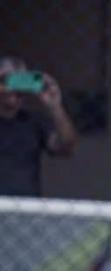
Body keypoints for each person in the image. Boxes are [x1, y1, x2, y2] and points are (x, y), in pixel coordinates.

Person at [0, 56, 77, 196]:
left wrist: (55, 106)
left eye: (20, 81)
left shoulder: (33, 122)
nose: (13, 87)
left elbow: (66, 147)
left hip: (27, 209)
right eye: (7, 80)